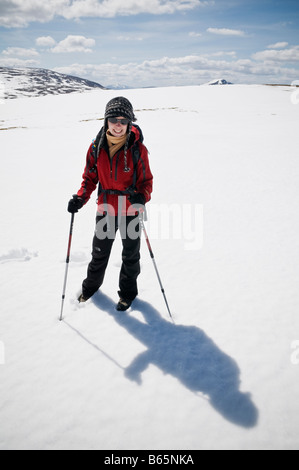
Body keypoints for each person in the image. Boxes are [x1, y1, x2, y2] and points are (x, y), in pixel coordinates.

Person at [68, 97, 153, 311]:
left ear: (130, 123)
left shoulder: (137, 149)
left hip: (131, 210)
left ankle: (127, 295)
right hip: (105, 208)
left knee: (130, 256)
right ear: (106, 120)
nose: (118, 124)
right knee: (99, 253)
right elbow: (89, 178)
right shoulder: (96, 147)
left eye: (123, 120)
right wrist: (80, 198)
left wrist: (142, 197)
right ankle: (90, 288)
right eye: (114, 119)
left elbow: (146, 181)